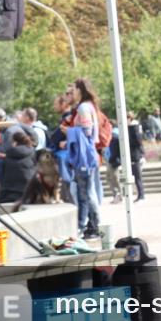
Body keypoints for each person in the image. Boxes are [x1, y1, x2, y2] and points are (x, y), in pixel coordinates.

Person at [63, 78, 102, 238]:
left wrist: (69, 132)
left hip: (84, 157)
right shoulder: (89, 106)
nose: (72, 94)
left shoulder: (84, 107)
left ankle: (93, 226)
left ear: (80, 90)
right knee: (86, 191)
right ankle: (91, 225)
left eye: (73, 90)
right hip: (87, 155)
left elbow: (86, 130)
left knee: (86, 192)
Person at [0, 130, 36, 203]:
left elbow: (2, 174)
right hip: (30, 190)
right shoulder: (32, 152)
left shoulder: (9, 154)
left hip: (10, 192)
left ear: (15, 142)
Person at [127, 111, 145, 201]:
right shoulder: (132, 128)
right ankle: (140, 194)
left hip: (135, 155)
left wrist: (141, 154)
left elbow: (138, 142)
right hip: (134, 155)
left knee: (137, 176)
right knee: (136, 176)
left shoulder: (133, 128)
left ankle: (141, 195)